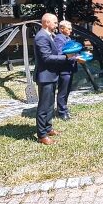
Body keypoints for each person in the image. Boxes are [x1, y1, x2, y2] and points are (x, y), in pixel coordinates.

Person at [34, 13, 84, 145]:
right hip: (45, 76)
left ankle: (48, 128)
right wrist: (67, 57)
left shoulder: (49, 36)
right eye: (55, 23)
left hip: (51, 75)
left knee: (50, 105)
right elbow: (46, 58)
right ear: (46, 23)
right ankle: (41, 135)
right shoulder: (41, 37)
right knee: (44, 106)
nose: (56, 25)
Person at [53, 20, 77, 121]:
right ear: (61, 29)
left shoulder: (68, 38)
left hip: (69, 69)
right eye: (69, 28)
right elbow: (60, 54)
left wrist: (78, 55)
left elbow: (71, 52)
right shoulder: (59, 39)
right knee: (63, 91)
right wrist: (75, 58)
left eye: (71, 28)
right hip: (64, 70)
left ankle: (64, 108)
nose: (71, 30)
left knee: (67, 91)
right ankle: (62, 112)